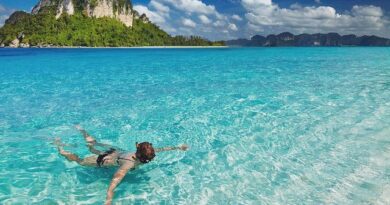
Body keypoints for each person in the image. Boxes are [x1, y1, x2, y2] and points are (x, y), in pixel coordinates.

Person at [54, 125, 188, 205]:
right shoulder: (129, 164)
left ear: (137, 148)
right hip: (104, 159)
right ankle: (61, 148)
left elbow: (161, 149)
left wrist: (177, 147)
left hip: (114, 151)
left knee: (93, 145)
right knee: (80, 161)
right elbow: (115, 180)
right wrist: (108, 199)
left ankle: (82, 130)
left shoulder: (142, 154)